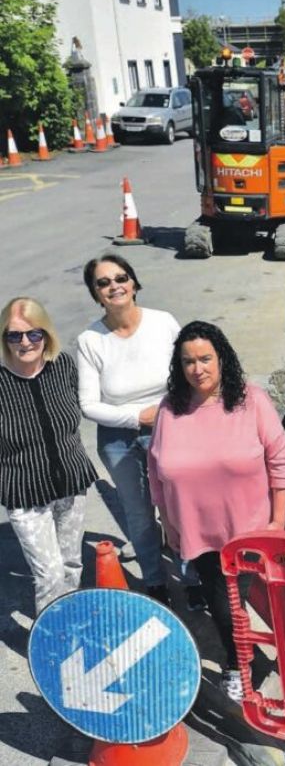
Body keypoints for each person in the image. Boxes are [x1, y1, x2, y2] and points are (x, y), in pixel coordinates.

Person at [148, 321, 285, 703]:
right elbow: (155, 472)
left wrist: (278, 521)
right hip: (198, 533)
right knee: (221, 604)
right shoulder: (170, 408)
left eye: (206, 358)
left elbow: (279, 461)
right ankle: (241, 660)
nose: (198, 369)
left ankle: (238, 665)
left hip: (247, 530)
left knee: (229, 608)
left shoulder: (251, 400)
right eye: (188, 361)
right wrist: (169, 524)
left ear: (222, 359)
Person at [76, 254, 202, 608]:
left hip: (171, 427)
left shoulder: (163, 323)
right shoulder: (91, 340)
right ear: (96, 294)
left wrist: (165, 413)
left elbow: (189, 371)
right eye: (103, 283)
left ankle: (191, 577)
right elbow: (88, 405)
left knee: (178, 508)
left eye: (121, 277)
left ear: (133, 283)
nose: (114, 286)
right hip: (119, 439)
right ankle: (154, 580)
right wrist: (136, 418)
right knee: (139, 512)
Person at [0, 297, 98, 615]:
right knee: (49, 575)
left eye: (33, 333)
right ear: (4, 340)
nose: (25, 342)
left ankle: (70, 623)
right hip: (26, 495)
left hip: (71, 482)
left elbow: (89, 404)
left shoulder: (63, 367)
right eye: (14, 335)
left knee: (71, 565)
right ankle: (51, 642)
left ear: (46, 334)